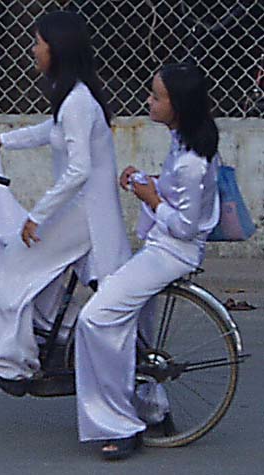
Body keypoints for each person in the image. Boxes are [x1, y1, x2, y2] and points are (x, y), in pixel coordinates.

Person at [0, 11, 131, 394]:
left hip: (84, 214)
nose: (33, 50)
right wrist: (2, 141)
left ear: (56, 49)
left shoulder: (77, 102)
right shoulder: (74, 97)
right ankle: (48, 343)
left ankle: (6, 363)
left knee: (12, 263)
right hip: (86, 212)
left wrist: (37, 216)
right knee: (43, 279)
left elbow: (78, 171)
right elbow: (49, 131)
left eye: (38, 43)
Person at [75, 62, 220, 460]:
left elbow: (186, 226)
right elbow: (176, 193)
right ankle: (152, 407)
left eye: (157, 97)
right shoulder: (184, 142)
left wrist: (151, 198)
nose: (149, 101)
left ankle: (118, 424)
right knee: (135, 327)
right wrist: (148, 180)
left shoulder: (193, 160)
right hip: (160, 245)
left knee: (96, 319)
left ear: (179, 105)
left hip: (172, 252)